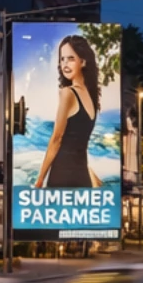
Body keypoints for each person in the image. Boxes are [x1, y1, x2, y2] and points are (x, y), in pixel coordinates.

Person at [35, 34, 103, 189]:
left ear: (83, 61)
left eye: (71, 58)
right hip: (82, 175)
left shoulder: (68, 93)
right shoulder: (91, 96)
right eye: (62, 59)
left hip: (62, 173)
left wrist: (40, 179)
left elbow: (57, 138)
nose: (65, 63)